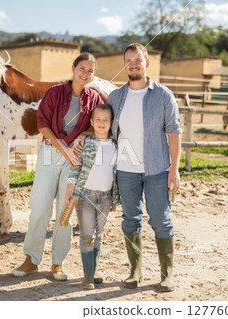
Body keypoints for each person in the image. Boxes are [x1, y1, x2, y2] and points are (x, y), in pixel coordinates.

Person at [11, 52, 104, 280]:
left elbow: (100, 125)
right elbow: (42, 125)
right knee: (40, 208)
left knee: (66, 211)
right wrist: (66, 150)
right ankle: (31, 259)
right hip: (51, 154)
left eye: (90, 71)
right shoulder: (54, 93)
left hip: (75, 159)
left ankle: (57, 263)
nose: (85, 74)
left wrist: (84, 133)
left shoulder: (94, 99)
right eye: (82, 68)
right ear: (73, 68)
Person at [107, 43, 182, 292]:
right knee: (130, 219)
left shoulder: (162, 94)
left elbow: (174, 132)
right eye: (129, 60)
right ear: (124, 65)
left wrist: (174, 168)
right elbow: (106, 133)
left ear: (147, 62)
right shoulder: (116, 97)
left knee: (161, 220)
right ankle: (135, 270)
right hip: (126, 170)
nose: (134, 64)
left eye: (138, 59)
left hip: (157, 169)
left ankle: (166, 274)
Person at [62, 104, 120, 290]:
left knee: (99, 235)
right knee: (87, 235)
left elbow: (115, 173)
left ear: (111, 123)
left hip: (105, 197)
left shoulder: (115, 145)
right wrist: (70, 192)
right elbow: (76, 168)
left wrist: (113, 198)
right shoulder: (86, 143)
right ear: (91, 122)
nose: (102, 123)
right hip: (85, 196)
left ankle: (93, 271)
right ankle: (87, 277)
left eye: (106, 120)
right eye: (98, 120)